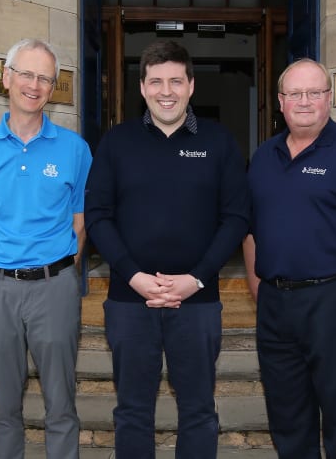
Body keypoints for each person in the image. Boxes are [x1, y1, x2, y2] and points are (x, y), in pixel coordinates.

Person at [85, 40, 250, 459]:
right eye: (156, 81)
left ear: (191, 85)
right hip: (129, 300)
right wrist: (134, 276)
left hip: (196, 302)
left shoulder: (218, 142)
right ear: (142, 88)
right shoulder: (116, 142)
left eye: (176, 81)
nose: (166, 91)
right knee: (133, 411)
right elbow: (98, 216)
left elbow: (236, 218)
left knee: (198, 410)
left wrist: (195, 279)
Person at [243, 58, 336, 458]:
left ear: (330, 99)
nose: (304, 101)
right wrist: (258, 286)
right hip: (276, 305)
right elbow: (250, 228)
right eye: (295, 93)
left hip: (335, 301)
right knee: (286, 411)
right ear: (280, 101)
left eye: (314, 92)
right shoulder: (263, 157)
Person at [0, 38, 92, 459]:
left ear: (53, 88)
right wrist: (3, 262)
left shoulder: (75, 148)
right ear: (7, 78)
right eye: (27, 74)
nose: (34, 85)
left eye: (45, 78)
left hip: (55, 285)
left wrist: (61, 270)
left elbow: (80, 221)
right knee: (3, 403)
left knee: (61, 401)